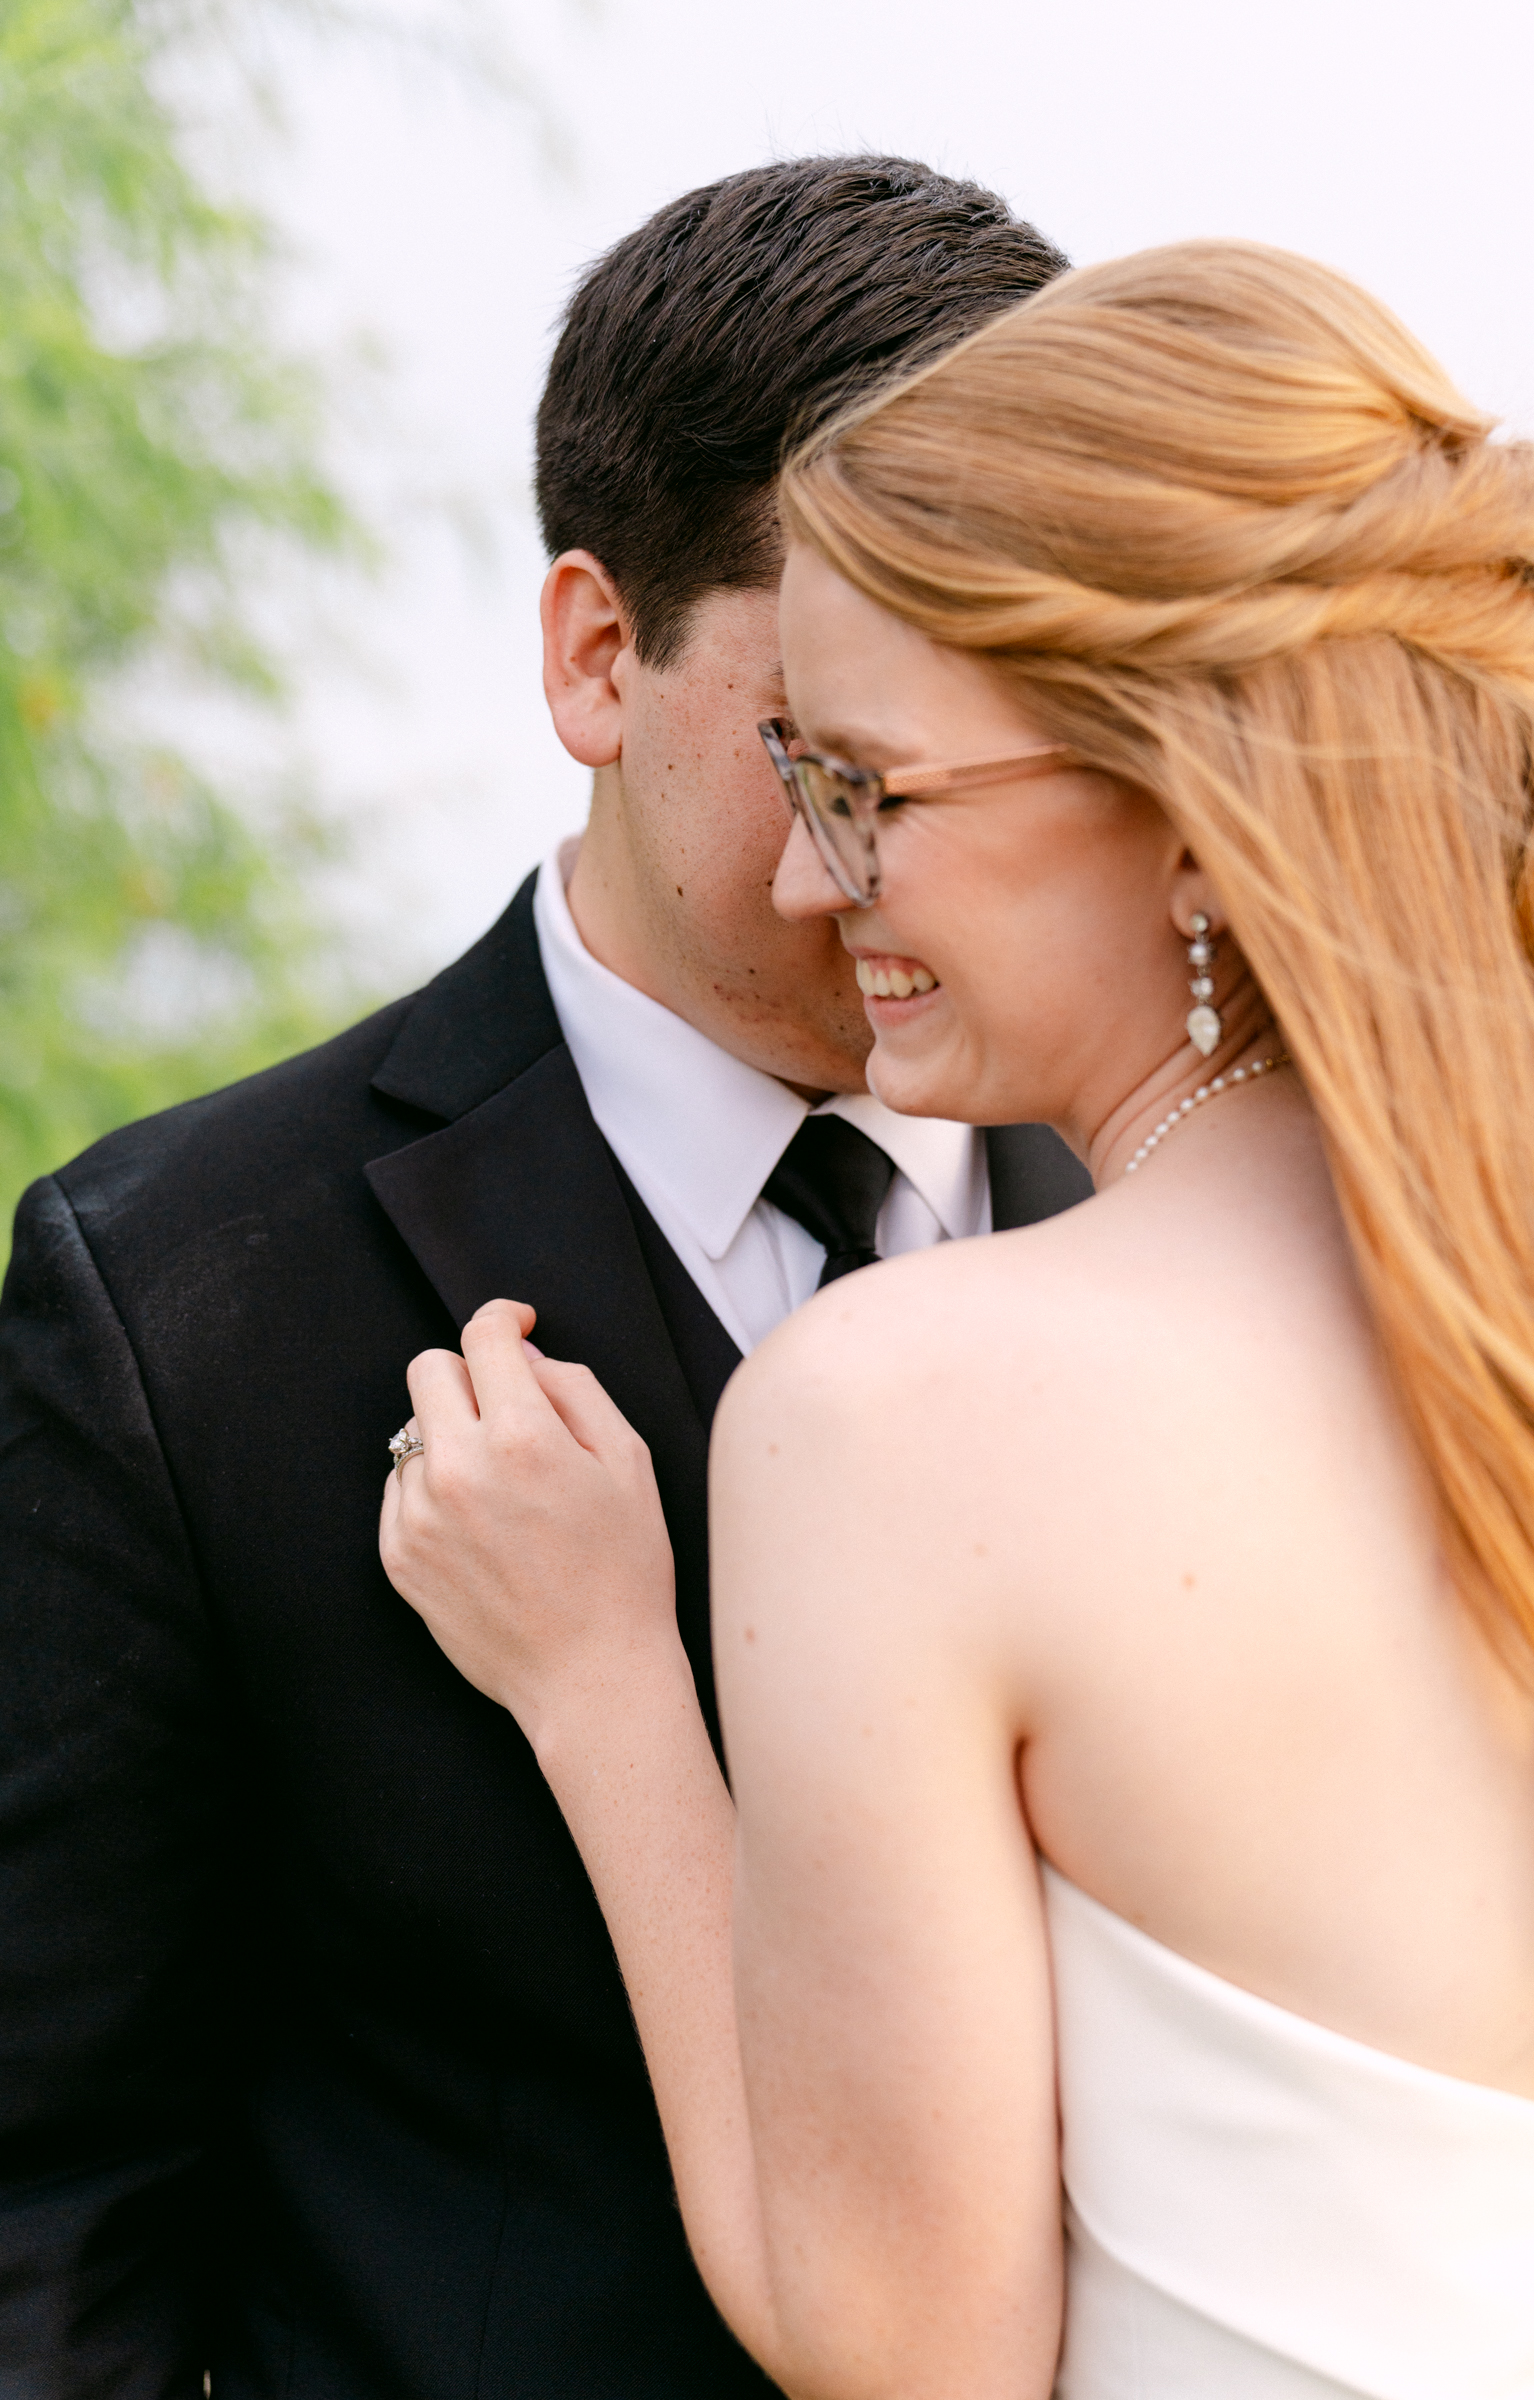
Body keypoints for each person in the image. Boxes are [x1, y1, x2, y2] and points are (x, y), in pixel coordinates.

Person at [381, 241, 1534, 2398]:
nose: (797, 877)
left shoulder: (896, 1415)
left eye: (871, 787)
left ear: (1190, 814)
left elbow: (902, 2353)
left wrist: (598, 1688)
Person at [0, 158, 1086, 2400]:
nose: (887, 851)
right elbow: (49, 2208)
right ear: (598, 653)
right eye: (827, 742)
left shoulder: (1208, 1245)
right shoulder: (176, 1298)